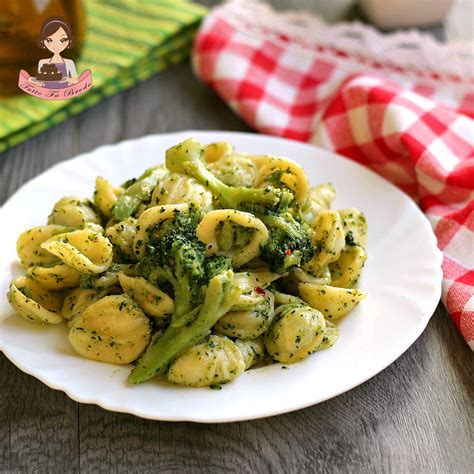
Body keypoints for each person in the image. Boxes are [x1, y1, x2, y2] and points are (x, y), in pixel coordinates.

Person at [28, 16, 78, 89]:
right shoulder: (42, 62)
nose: (56, 45)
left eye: (62, 40)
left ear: (69, 41)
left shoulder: (69, 62)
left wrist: (64, 79)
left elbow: (75, 80)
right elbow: (40, 80)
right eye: (49, 40)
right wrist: (31, 80)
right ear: (42, 41)